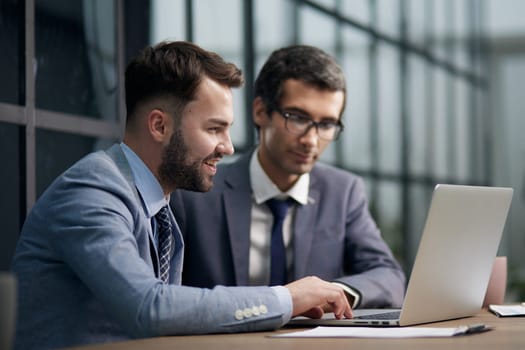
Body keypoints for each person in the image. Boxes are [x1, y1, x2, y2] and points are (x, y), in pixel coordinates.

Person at [10, 41, 352, 350]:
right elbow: (149, 307)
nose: (228, 147)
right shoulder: (91, 191)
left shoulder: (158, 205)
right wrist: (286, 297)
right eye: (214, 128)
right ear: (160, 126)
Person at [170, 45, 406, 309]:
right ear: (260, 111)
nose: (311, 140)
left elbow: (390, 277)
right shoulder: (194, 192)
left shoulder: (343, 191)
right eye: (297, 118)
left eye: (327, 124)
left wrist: (338, 292)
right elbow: (166, 296)